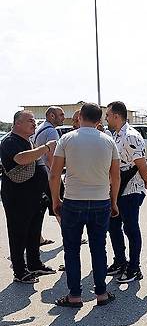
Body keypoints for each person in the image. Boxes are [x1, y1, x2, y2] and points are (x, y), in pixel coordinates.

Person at [49, 103, 120, 307]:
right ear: (99, 121)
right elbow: (115, 176)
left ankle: (75, 296)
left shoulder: (67, 139)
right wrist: (113, 201)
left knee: (71, 250)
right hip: (100, 201)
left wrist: (56, 200)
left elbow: (54, 175)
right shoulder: (108, 141)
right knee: (99, 248)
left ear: (80, 118)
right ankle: (101, 293)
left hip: (73, 201)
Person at [1, 111, 56, 283]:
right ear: (17, 123)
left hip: (35, 197)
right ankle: (20, 271)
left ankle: (34, 263)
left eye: (34, 120)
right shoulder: (10, 141)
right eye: (30, 121)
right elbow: (21, 159)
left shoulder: (27, 140)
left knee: (33, 232)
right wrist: (46, 148)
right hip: (18, 198)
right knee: (18, 233)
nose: (34, 123)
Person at [105, 101, 147, 283]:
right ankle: (120, 262)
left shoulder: (131, 136)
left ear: (116, 116)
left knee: (131, 229)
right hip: (117, 190)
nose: (106, 118)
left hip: (131, 190)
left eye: (108, 115)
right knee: (113, 226)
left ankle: (134, 267)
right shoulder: (116, 135)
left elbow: (142, 165)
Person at [34, 106, 66, 245]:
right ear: (52, 116)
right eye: (61, 115)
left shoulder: (40, 128)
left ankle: (38, 238)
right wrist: (57, 176)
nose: (63, 117)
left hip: (40, 174)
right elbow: (52, 157)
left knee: (39, 208)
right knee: (59, 206)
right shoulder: (52, 132)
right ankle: (69, 236)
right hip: (49, 176)